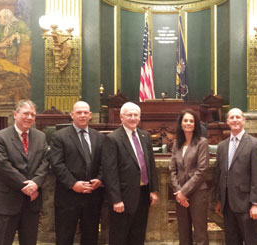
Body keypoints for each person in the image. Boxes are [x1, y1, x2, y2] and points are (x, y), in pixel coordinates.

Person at [0, 100, 49, 245]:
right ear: (15, 115)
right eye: (26, 114)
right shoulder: (0, 137)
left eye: (33, 115)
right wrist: (26, 187)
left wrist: (35, 183)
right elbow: (3, 166)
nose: (29, 117)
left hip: (31, 204)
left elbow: (45, 162)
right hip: (6, 202)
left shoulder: (41, 136)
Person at [49, 101, 106, 245]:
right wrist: (73, 184)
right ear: (72, 115)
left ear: (90, 115)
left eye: (85, 112)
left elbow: (105, 163)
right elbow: (57, 164)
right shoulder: (59, 136)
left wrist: (99, 179)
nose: (82, 115)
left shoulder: (99, 137)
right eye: (79, 112)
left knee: (91, 237)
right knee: (64, 237)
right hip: (68, 197)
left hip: (93, 196)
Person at [102, 102, 159, 245]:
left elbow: (150, 165)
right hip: (123, 198)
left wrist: (153, 190)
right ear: (121, 117)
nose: (133, 118)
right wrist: (116, 199)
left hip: (143, 194)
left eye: (136, 115)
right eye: (130, 115)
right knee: (120, 237)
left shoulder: (145, 136)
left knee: (138, 235)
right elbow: (110, 172)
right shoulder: (113, 139)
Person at [214, 108, 257, 245]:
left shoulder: (254, 144)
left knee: (250, 241)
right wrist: (219, 200)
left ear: (244, 120)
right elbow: (219, 174)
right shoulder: (222, 146)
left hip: (246, 204)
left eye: (238, 117)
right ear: (227, 121)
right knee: (231, 240)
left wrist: (256, 203)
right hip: (227, 204)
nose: (235, 120)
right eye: (231, 117)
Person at [169, 109, 210, 245]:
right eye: (185, 120)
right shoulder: (176, 144)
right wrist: (178, 192)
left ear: (195, 124)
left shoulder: (202, 142)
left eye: (191, 121)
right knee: (183, 232)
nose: (188, 123)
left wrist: (183, 192)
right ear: (181, 124)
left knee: (200, 233)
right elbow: (172, 169)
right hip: (180, 193)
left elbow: (202, 170)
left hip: (198, 193)